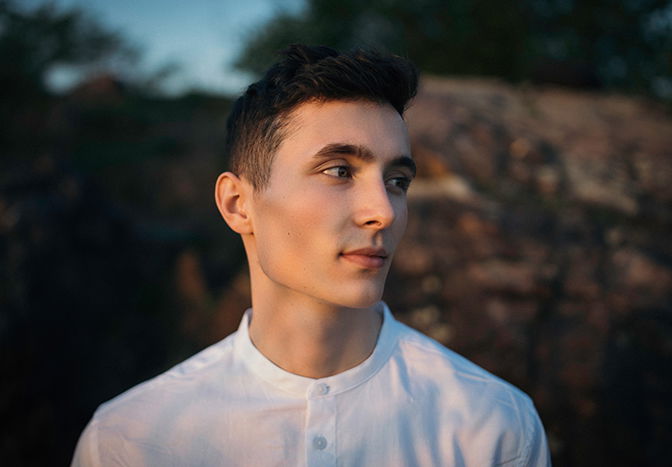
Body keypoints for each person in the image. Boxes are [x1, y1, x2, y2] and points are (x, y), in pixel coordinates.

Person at [71, 44, 551, 466]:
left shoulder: (493, 427)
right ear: (239, 205)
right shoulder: (131, 441)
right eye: (339, 170)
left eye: (397, 181)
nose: (383, 212)